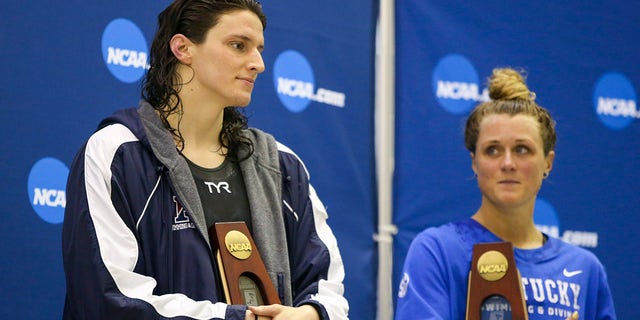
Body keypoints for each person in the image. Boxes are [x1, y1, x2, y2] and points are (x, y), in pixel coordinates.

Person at [61, 1, 349, 319]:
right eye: (238, 45)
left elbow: (327, 289)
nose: (259, 63)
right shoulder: (116, 154)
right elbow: (110, 298)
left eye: (259, 49)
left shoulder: (281, 165)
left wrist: (310, 314)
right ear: (183, 48)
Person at [394, 68, 616, 320]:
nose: (508, 163)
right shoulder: (438, 251)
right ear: (474, 162)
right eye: (492, 150)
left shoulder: (585, 268)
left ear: (548, 163)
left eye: (522, 149)